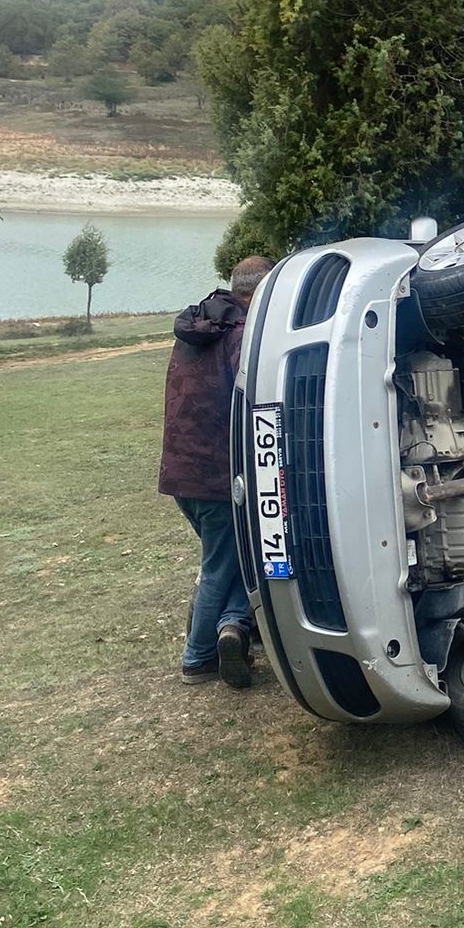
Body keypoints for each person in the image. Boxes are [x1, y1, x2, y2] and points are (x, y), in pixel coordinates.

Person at [159, 253, 271, 686]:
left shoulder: (195, 326)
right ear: (259, 292)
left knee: (235, 559)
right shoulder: (241, 333)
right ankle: (199, 655)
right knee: (224, 566)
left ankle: (233, 627)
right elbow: (257, 394)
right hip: (219, 475)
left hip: (180, 470)